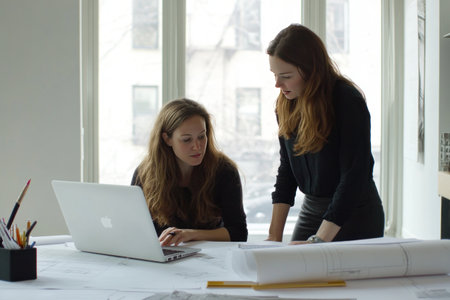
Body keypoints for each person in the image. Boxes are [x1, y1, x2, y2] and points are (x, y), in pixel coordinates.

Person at [266, 24, 385, 243]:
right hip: (312, 209)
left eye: (285, 75)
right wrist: (273, 238)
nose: (277, 84)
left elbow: (354, 176)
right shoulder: (286, 104)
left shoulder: (347, 100)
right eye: (274, 74)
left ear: (310, 69)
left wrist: (320, 240)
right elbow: (287, 172)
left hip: (355, 212)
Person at [131, 98, 248, 246]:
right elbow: (135, 230)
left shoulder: (224, 171)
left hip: (213, 258)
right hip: (163, 259)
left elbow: (238, 232)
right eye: (186, 140)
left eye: (201, 136)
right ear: (167, 139)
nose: (197, 147)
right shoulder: (145, 173)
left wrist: (190, 235)